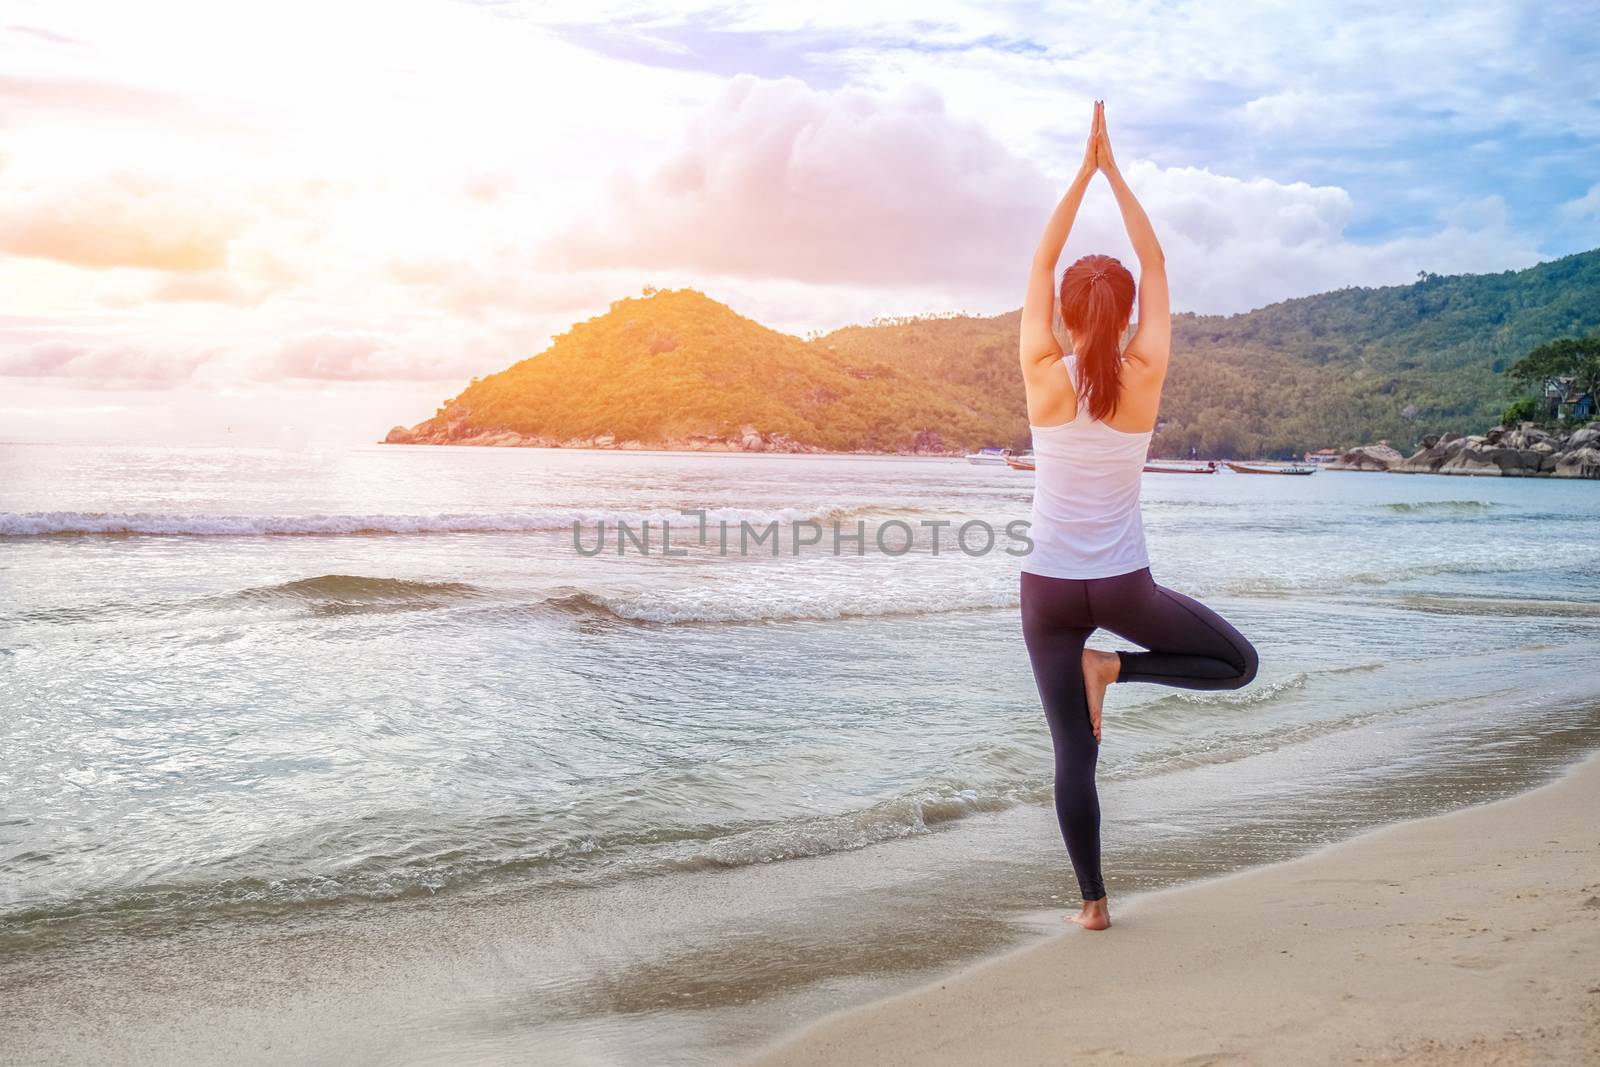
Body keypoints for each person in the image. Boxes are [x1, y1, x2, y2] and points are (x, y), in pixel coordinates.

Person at [1017, 101, 1258, 932]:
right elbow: (1153, 259)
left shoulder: (1042, 369)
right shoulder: (1144, 370)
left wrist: (1079, 175)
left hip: (1048, 590)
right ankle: (1115, 668)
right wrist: (1114, 173)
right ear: (1121, 316)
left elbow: (1041, 263)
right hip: (1122, 588)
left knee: (1072, 757)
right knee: (1238, 665)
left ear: (1064, 316)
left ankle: (1092, 904)